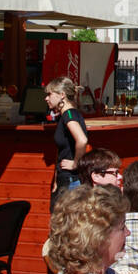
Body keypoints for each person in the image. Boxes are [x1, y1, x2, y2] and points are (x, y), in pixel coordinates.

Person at [45, 77, 89, 208]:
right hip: (66, 180)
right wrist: (56, 180)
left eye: (49, 94)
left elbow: (82, 140)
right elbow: (62, 152)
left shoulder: (69, 115)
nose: (46, 98)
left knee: (66, 224)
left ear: (62, 95)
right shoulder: (66, 115)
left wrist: (76, 163)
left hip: (71, 181)